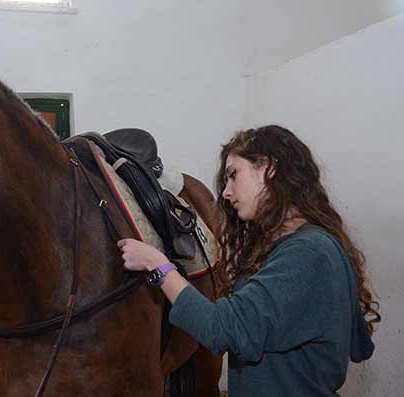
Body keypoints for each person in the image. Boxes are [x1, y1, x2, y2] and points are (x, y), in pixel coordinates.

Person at [118, 125, 380, 396]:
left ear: (268, 168)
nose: (226, 193)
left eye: (234, 175)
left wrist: (159, 265)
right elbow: (356, 341)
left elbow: (222, 328)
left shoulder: (308, 254)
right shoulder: (300, 247)